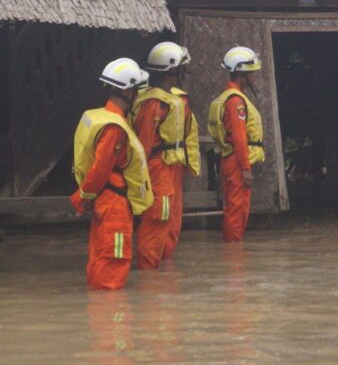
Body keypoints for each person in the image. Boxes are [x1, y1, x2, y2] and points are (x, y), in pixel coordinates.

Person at [70, 58, 153, 289]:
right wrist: (85, 198)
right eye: (136, 89)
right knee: (113, 261)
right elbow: (100, 168)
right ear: (127, 90)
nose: (138, 95)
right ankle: (111, 321)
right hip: (114, 202)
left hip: (106, 198)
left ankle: (100, 317)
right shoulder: (114, 128)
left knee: (100, 257)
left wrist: (87, 197)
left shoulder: (101, 117)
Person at [132, 42, 200, 269]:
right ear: (171, 70)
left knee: (172, 221)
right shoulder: (153, 103)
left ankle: (163, 269)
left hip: (173, 166)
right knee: (157, 219)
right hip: (158, 167)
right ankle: (148, 273)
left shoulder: (174, 99)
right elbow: (144, 143)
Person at [207, 46, 265, 242]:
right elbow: (240, 137)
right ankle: (234, 259)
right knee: (237, 211)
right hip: (238, 163)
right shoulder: (235, 102)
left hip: (233, 161)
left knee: (234, 209)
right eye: (251, 71)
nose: (255, 74)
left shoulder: (231, 98)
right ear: (241, 72)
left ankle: (233, 256)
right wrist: (246, 169)